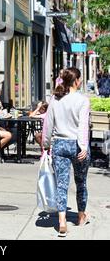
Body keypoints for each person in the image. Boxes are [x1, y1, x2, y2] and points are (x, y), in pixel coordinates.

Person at [42, 67, 91, 238]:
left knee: (61, 184)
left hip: (60, 144)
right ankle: (81, 215)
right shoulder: (83, 100)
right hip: (77, 145)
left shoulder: (55, 99)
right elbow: (83, 125)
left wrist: (46, 144)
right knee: (81, 182)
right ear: (76, 80)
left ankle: (62, 221)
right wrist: (83, 145)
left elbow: (48, 124)